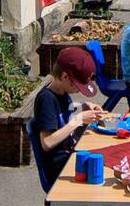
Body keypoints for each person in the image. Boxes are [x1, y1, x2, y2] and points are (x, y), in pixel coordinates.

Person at [33, 47, 107, 185]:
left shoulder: (62, 92)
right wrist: (79, 120)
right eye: (78, 86)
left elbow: (64, 116)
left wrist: (83, 107)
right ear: (64, 76)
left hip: (72, 156)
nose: (79, 89)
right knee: (102, 172)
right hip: (61, 169)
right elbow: (47, 142)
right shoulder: (46, 99)